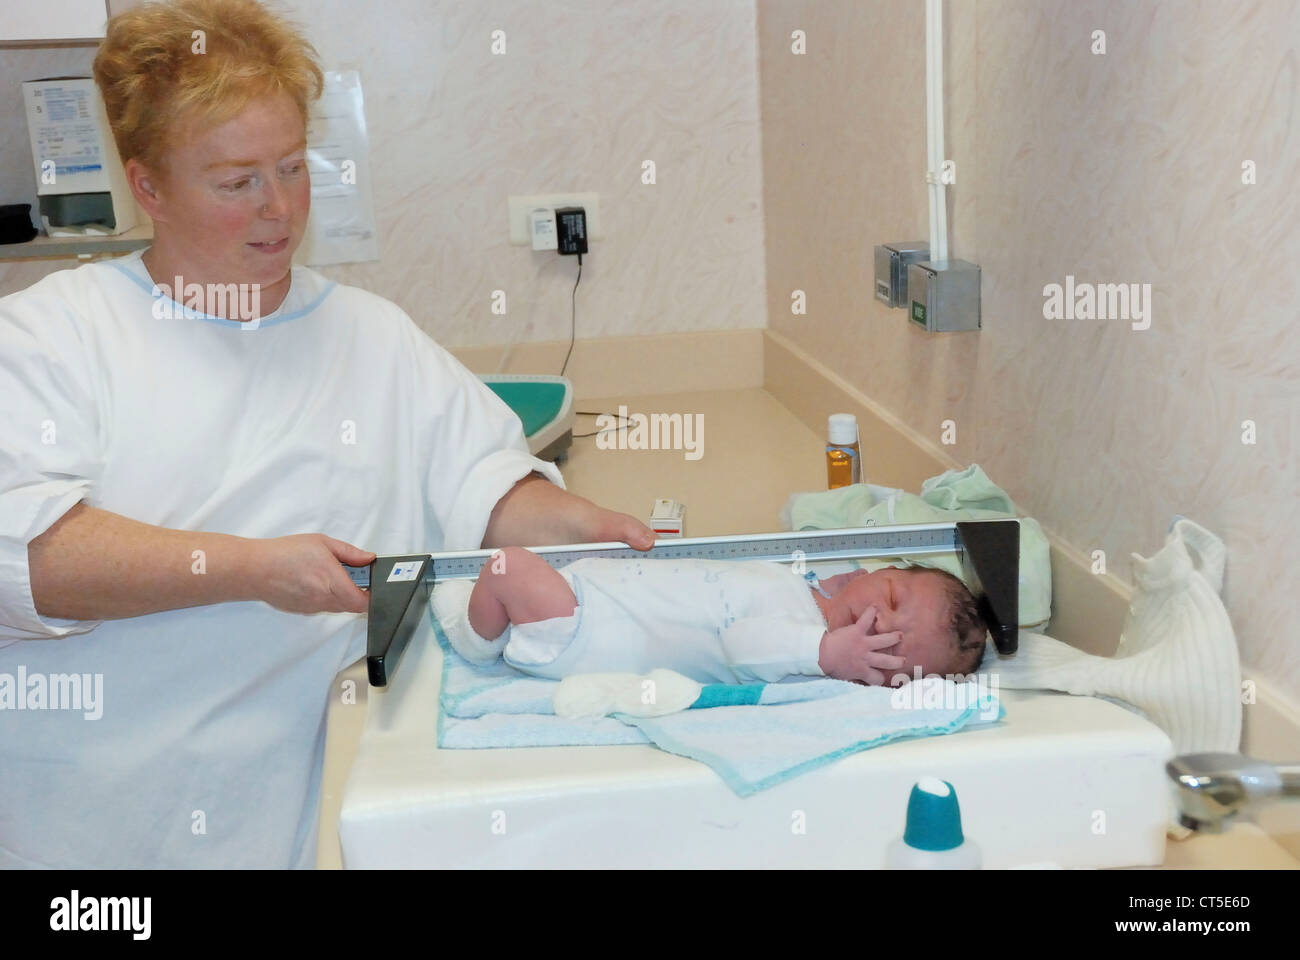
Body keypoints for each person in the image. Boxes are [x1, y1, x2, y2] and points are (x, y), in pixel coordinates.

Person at [0, 0, 653, 869]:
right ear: (147, 185)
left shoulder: (367, 335)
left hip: (286, 807)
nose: (279, 208)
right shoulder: (55, 337)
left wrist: (588, 528)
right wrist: (256, 569)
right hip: (98, 819)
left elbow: (478, 482)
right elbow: (28, 556)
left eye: (293, 167)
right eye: (237, 181)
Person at [432, 547, 988, 686]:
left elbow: (741, 645)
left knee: (507, 566)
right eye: (888, 595)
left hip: (586, 628)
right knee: (512, 563)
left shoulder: (802, 645)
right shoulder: (810, 598)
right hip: (598, 590)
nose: (871, 618)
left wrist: (825, 653)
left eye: (884, 646)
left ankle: (472, 638)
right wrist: (835, 584)